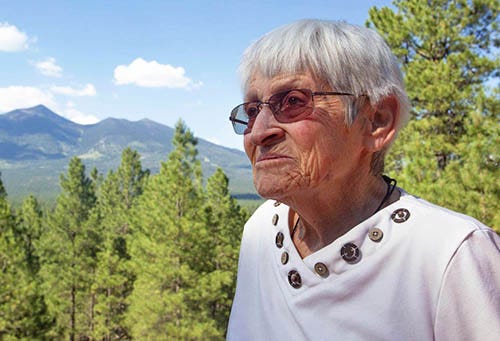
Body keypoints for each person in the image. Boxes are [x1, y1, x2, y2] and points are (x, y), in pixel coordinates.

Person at [226, 19, 500, 340]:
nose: (258, 132)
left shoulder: (453, 255)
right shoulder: (259, 231)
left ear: (377, 122)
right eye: (252, 110)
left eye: (293, 102)